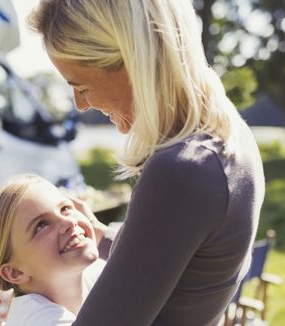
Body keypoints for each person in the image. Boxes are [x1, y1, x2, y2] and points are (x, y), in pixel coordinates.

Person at [28, 0, 266, 325]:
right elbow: (175, 261)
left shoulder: (180, 170)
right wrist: (100, 235)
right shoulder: (228, 138)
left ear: (132, 61)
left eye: (81, 86)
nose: (80, 105)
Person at [0, 174, 106, 326]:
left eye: (65, 208)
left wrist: (102, 234)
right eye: (41, 226)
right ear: (15, 272)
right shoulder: (38, 319)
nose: (69, 222)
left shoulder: (95, 272)